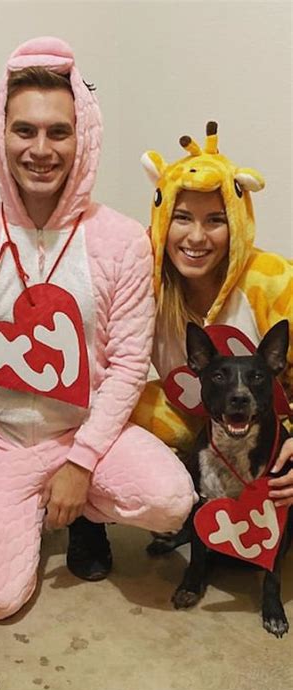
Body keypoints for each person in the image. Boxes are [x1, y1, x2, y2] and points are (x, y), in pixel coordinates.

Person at [0, 36, 196, 620]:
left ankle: (83, 518)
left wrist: (79, 465)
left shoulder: (122, 241)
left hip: (89, 435)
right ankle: (25, 507)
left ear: (85, 138)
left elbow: (129, 363)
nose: (41, 149)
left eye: (59, 131)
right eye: (24, 130)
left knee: (172, 499)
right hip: (3, 437)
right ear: (0, 135)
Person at [130, 122, 293, 551]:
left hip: (279, 427)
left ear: (236, 223)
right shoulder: (144, 282)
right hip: (200, 422)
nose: (197, 238)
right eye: (182, 218)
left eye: (215, 220)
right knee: (124, 405)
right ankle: (182, 504)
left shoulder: (271, 279)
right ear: (164, 219)